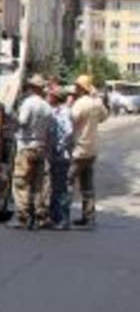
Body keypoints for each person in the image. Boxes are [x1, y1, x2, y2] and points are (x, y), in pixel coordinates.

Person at [8, 74, 54, 230]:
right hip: (41, 147)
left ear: (32, 88)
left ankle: (23, 217)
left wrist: (12, 116)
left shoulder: (29, 103)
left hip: (26, 147)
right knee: (40, 184)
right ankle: (41, 216)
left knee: (22, 182)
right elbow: (50, 130)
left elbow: (22, 122)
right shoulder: (47, 106)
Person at [69, 75, 109, 227]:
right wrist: (97, 98)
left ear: (81, 88)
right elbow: (104, 117)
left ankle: (62, 215)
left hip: (78, 150)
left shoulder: (80, 103)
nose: (75, 89)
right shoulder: (97, 103)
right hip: (91, 150)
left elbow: (71, 120)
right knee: (87, 186)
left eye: (76, 86)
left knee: (67, 182)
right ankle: (89, 217)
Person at [48, 87, 74, 230]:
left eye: (51, 95)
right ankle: (55, 217)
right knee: (56, 187)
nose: (48, 97)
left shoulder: (64, 112)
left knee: (61, 188)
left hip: (61, 155)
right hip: (55, 154)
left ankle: (63, 219)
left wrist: (60, 146)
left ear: (56, 98)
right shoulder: (55, 111)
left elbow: (69, 132)